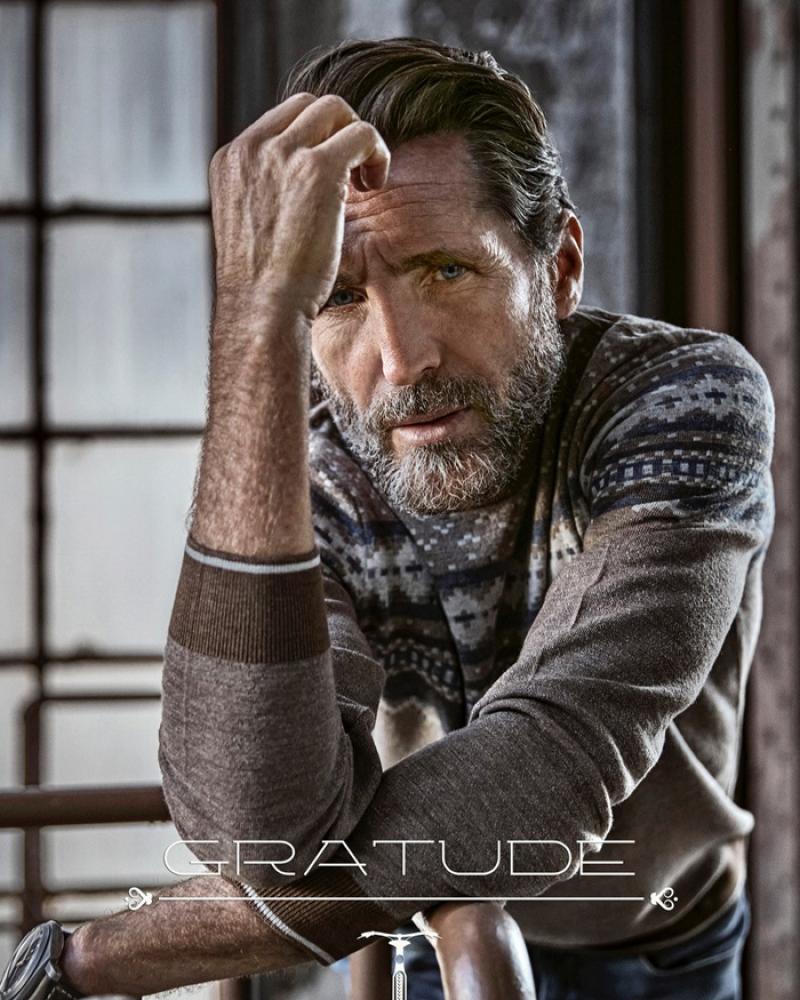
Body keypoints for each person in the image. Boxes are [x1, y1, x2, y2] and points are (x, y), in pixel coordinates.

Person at [0, 36, 773, 1000]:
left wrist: (107, 956)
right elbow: (256, 833)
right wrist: (254, 313)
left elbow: (552, 762)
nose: (404, 361)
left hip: (660, 934)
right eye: (336, 298)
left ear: (560, 269)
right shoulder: (307, 471)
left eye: (446, 271)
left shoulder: (681, 400)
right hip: (429, 921)